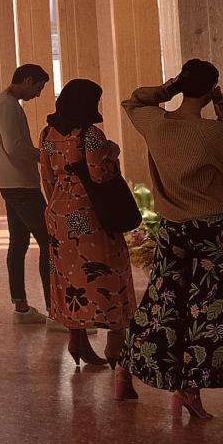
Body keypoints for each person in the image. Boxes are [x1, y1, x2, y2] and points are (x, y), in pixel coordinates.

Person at [121, 60, 223, 421]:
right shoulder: (212, 133)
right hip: (212, 231)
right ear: (213, 90)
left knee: (162, 302)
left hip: (172, 227)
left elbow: (133, 102)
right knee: (209, 311)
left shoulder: (155, 122)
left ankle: (126, 366)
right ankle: (189, 390)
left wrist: (167, 91)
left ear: (181, 82)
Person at [38, 79, 137, 389]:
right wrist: (114, 152)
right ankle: (114, 343)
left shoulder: (47, 135)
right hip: (92, 215)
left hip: (58, 214)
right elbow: (101, 173)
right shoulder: (90, 135)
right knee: (110, 273)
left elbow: (47, 177)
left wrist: (60, 203)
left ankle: (77, 339)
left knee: (69, 277)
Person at [0, 63, 52, 323]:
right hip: (21, 184)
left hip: (10, 182)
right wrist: (43, 156)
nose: (38, 94)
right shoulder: (10, 106)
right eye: (38, 87)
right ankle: (55, 311)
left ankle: (21, 306)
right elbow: (14, 146)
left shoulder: (0, 103)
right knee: (48, 240)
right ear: (27, 80)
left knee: (19, 242)